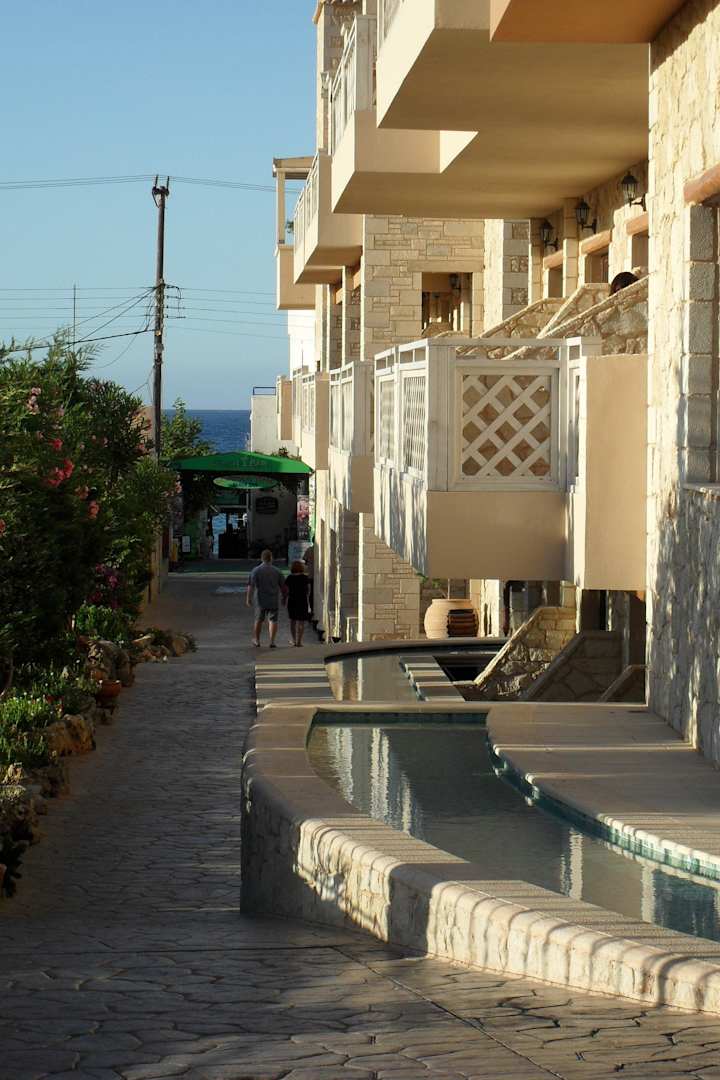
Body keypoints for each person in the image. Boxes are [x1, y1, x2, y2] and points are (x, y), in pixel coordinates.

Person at [246, 549, 287, 648]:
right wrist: (284, 598)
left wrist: (248, 598)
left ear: (262, 558)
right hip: (273, 599)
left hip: (260, 600)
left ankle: (257, 640)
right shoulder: (277, 571)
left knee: (258, 620)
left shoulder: (256, 570)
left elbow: (251, 586)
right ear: (271, 558)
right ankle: (272, 641)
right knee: (273, 620)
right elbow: (283, 587)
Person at [286, 559, 312, 646]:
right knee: (301, 622)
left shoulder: (289, 578)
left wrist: (285, 598)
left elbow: (286, 590)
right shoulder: (305, 578)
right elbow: (309, 590)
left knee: (292, 621)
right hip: (302, 601)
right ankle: (299, 641)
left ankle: (294, 640)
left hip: (292, 601)